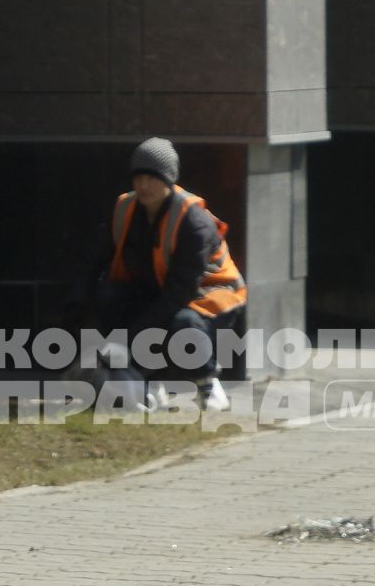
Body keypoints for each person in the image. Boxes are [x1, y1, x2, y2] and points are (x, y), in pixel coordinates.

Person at [74, 138, 246, 412]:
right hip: (161, 290)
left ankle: (207, 383)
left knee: (184, 323)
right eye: (138, 177)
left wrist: (125, 342)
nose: (143, 186)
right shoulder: (125, 209)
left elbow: (180, 294)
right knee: (111, 296)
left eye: (152, 178)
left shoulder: (193, 221)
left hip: (211, 296)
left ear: (169, 179)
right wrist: (78, 307)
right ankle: (148, 380)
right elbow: (92, 259)